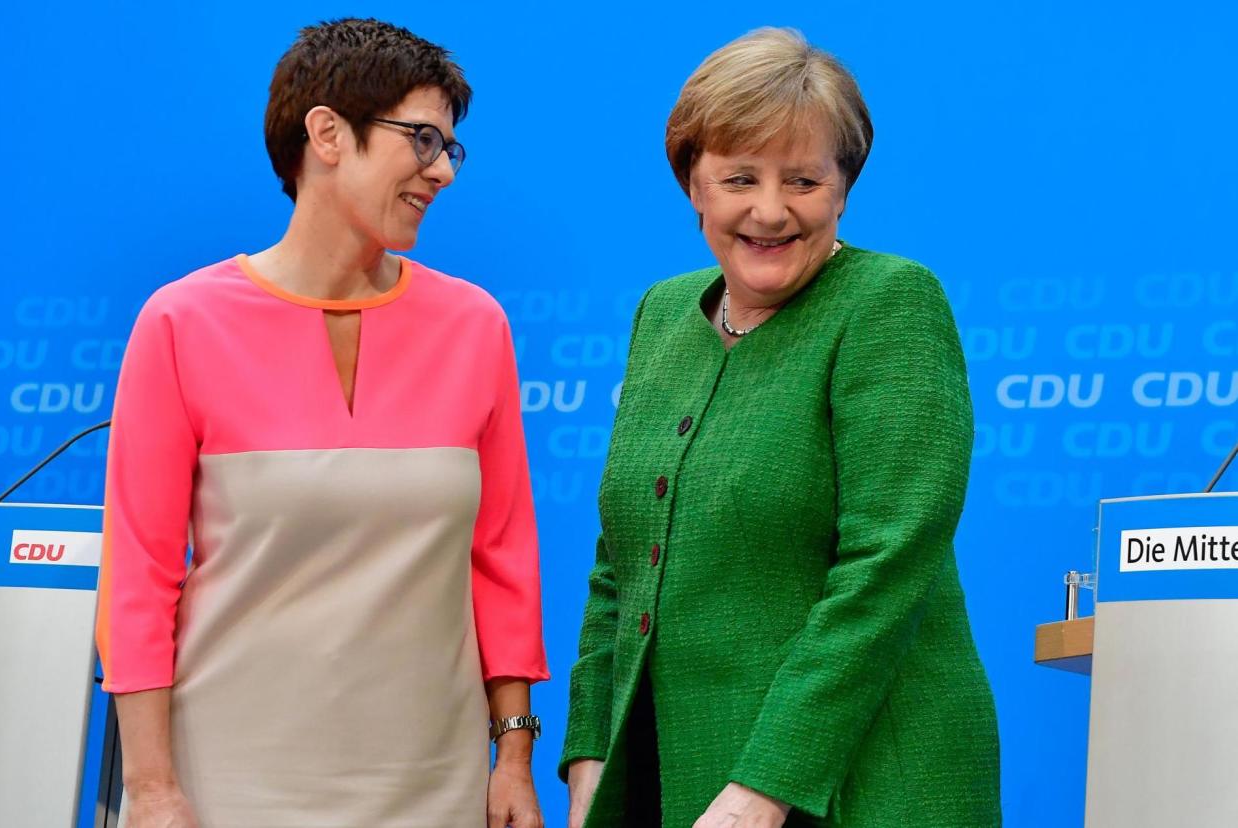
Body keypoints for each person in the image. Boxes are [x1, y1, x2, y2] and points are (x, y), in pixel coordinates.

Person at [96, 18, 548, 827]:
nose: (441, 171)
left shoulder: (475, 325)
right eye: (421, 140)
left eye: (451, 148)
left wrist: (512, 756)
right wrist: (152, 785)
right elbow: (139, 580)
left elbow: (502, 560)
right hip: (226, 782)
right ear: (328, 134)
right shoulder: (181, 322)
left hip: (431, 783)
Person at [561, 27, 1001, 828]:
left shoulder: (890, 303)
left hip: (866, 789)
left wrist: (770, 783)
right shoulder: (662, 314)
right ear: (694, 184)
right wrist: (590, 749)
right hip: (678, 775)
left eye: (803, 179)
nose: (770, 210)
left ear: (842, 190)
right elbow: (620, 565)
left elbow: (887, 564)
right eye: (739, 178)